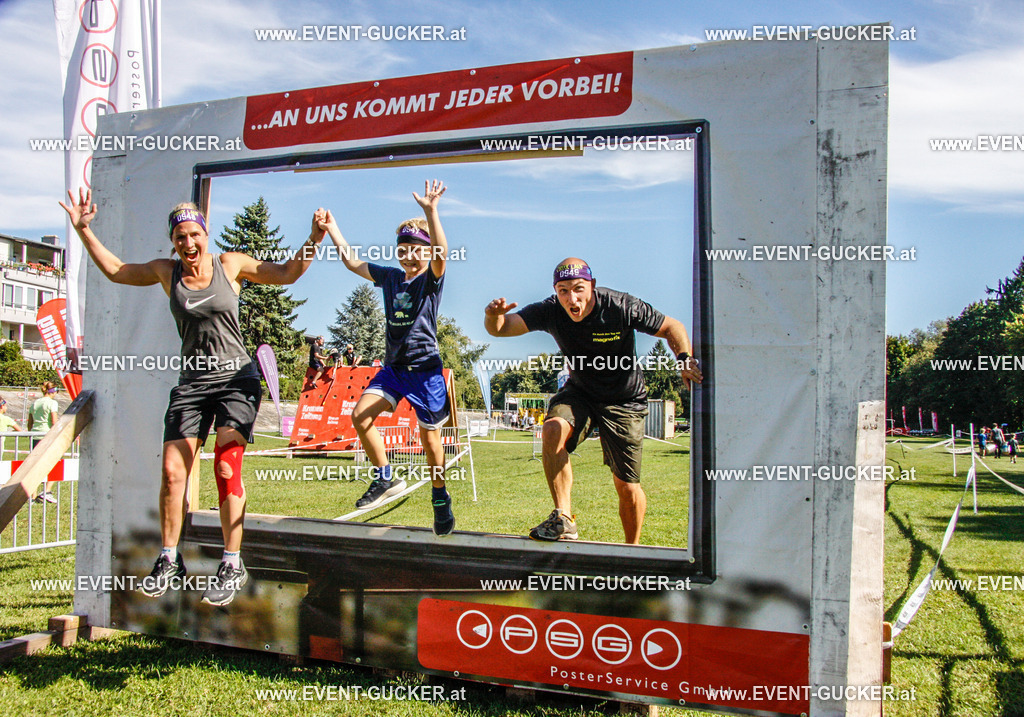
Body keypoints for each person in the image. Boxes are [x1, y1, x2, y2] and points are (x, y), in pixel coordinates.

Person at [60, 188, 327, 606]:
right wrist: (83, 230)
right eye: (180, 237)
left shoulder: (230, 265)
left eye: (193, 235)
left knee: (225, 466)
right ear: (173, 241)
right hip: (192, 385)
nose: (188, 244)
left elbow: (288, 272)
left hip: (236, 381)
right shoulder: (167, 273)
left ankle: (232, 561)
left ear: (206, 235)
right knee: (171, 473)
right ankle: (168, 558)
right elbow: (115, 270)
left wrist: (314, 237)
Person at [485, 258, 703, 544]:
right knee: (552, 429)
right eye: (563, 291)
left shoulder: (620, 306)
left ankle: (632, 549)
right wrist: (493, 315)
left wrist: (684, 359)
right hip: (581, 393)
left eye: (578, 289)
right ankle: (563, 518)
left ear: (593, 286)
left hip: (624, 399)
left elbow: (671, 326)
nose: (571, 298)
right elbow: (501, 328)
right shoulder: (551, 310)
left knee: (626, 485)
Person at [319, 180, 455, 535]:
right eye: (403, 249)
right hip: (393, 370)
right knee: (360, 415)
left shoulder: (431, 280)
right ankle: (385, 478)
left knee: (430, 442)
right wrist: (332, 227)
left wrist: (431, 211)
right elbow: (352, 262)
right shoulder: (391, 278)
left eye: (416, 250)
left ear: (426, 254)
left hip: (426, 373)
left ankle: (440, 496)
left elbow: (441, 253)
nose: (409, 256)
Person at [28, 382, 60, 503]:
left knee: (34, 466)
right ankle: (47, 491)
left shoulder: (35, 403)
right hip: (47, 436)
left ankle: (32, 496)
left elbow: (30, 422)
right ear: (53, 391)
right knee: (55, 463)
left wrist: (30, 433)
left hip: (35, 436)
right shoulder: (52, 403)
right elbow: (54, 421)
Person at [0, 397, 23, 462]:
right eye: (6, 406)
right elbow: (20, 430)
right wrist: (11, 431)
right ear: (2, 406)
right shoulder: (6, 419)